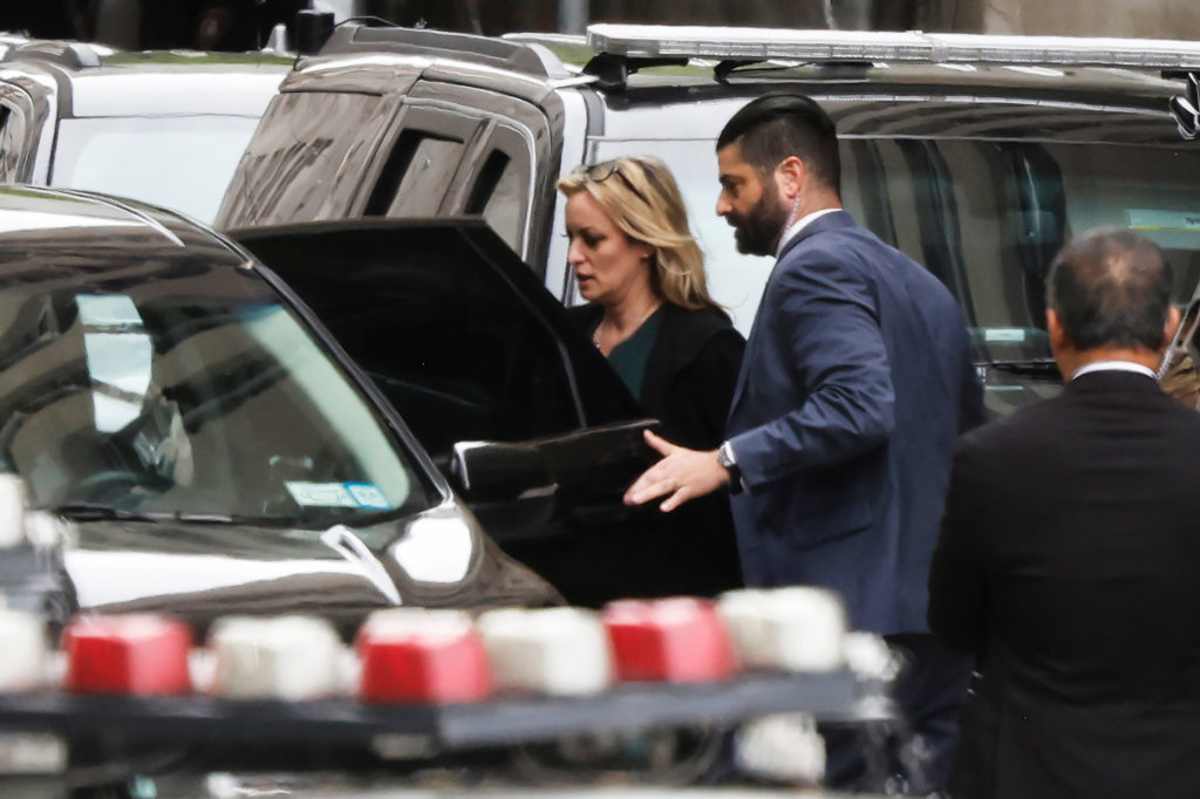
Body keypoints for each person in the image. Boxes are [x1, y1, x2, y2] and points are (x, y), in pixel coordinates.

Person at [623, 93, 984, 791]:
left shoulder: (813, 269)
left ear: (791, 177)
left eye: (734, 185)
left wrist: (725, 461)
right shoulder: (922, 283)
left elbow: (859, 405)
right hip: (934, 614)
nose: (723, 206)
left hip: (853, 617)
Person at [929, 229, 1200, 798]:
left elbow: (954, 624)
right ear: (1170, 326)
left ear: (1055, 325)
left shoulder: (990, 455)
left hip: (1029, 768)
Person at [559, 155, 746, 597]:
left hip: (672, 598)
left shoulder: (707, 347)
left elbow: (750, 474)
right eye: (570, 238)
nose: (574, 256)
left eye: (592, 240)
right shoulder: (563, 334)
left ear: (644, 241)